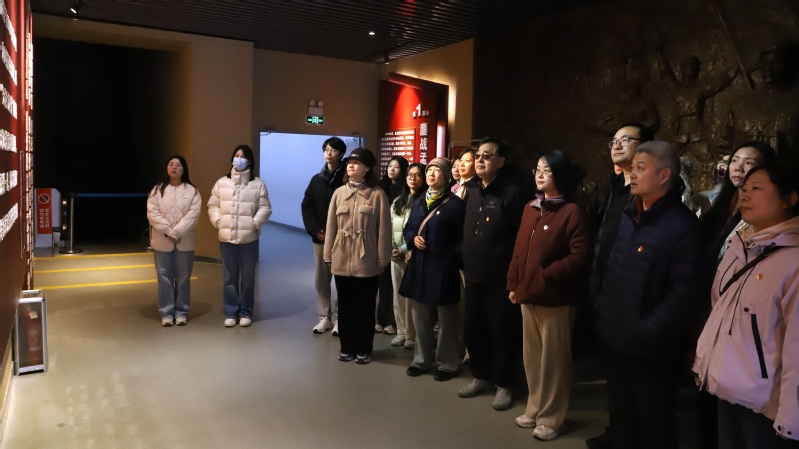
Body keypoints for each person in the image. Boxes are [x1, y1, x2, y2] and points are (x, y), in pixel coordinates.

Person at [594, 140, 703, 449]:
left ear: (664, 175)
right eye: (632, 169)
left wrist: (646, 330)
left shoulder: (682, 226)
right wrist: (604, 312)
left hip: (651, 348)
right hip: (617, 335)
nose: (633, 175)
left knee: (655, 421)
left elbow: (684, 294)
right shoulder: (631, 214)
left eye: (640, 168)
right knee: (621, 412)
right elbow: (614, 269)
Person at [693, 163, 799, 448]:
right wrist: (704, 364)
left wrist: (791, 418)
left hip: (764, 404)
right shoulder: (739, 246)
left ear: (789, 198)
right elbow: (720, 311)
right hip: (727, 387)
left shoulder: (793, 262)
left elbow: (796, 349)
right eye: (744, 188)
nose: (745, 195)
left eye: (757, 188)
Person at [507, 150, 591, 441]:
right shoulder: (531, 207)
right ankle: (534, 408)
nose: (540, 175)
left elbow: (580, 255)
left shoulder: (572, 211)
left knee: (554, 362)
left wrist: (547, 275)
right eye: (538, 170)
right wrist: (514, 284)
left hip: (556, 297)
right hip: (527, 294)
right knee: (532, 357)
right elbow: (520, 250)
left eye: (547, 170)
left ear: (561, 176)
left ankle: (552, 417)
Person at [586, 122, 653, 449]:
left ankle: (635, 437)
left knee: (638, 380)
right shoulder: (614, 187)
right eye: (614, 140)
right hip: (607, 290)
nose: (617, 144)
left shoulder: (649, 192)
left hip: (634, 297)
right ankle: (619, 432)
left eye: (626, 139)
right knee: (615, 375)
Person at [459, 137, 530, 411]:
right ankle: (481, 375)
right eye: (478, 155)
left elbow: (521, 236)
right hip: (473, 273)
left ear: (501, 161)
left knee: (501, 331)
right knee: (474, 328)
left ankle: (504, 383)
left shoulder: (512, 192)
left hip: (500, 276)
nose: (480, 159)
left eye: (487, 155)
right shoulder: (472, 189)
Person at [323, 148, 391, 365]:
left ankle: (364, 348)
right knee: (345, 306)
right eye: (349, 162)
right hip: (342, 256)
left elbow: (384, 229)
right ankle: (347, 347)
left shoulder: (377, 194)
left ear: (367, 168)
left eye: (356, 162)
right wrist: (328, 254)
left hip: (367, 258)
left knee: (365, 307)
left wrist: (383, 256)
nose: (351, 165)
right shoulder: (339, 193)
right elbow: (331, 226)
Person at [399, 157, 465, 381]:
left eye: (437, 171)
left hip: (444, 268)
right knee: (420, 317)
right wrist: (413, 238)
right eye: (429, 170)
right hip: (420, 267)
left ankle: (447, 364)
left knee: (447, 320)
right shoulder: (419, 201)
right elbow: (409, 228)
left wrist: (451, 259)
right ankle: (421, 360)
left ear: (446, 177)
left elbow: (461, 238)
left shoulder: (455, 204)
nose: (431, 174)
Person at [208, 144, 272, 327]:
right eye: (237, 155)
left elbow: (265, 208)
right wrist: (218, 221)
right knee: (229, 276)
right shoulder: (222, 183)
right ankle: (231, 312)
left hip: (249, 239)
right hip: (226, 238)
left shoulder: (257, 184)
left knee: (248, 277)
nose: (239, 159)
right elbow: (213, 205)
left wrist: (254, 223)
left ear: (249, 161)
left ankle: (246, 312)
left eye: (243, 156)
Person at [146, 155, 202, 326]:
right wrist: (169, 232)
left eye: (178, 165)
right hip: (162, 241)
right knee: (164, 277)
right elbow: (152, 214)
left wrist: (176, 233)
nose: (174, 167)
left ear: (184, 169)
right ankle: (167, 313)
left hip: (185, 241)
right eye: (171, 164)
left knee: (183, 278)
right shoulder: (157, 190)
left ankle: (182, 312)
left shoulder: (192, 191)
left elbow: (193, 215)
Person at [302, 137, 347, 335]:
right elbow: (307, 206)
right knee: (321, 278)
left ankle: (340, 318)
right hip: (320, 237)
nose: (329, 153)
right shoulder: (317, 179)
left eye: (333, 150)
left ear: (341, 154)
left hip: (342, 237)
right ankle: (324, 317)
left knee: (342, 279)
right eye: (326, 149)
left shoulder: (346, 179)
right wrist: (314, 230)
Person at [389, 162, 426, 349]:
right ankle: (401, 331)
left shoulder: (424, 201)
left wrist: (405, 248)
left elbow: (420, 229)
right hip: (395, 255)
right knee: (397, 295)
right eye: (410, 175)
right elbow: (389, 225)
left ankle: (412, 334)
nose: (413, 178)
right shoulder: (398, 201)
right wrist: (391, 247)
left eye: (418, 175)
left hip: (413, 254)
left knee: (412, 298)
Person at [376, 156, 408, 335]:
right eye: (389, 166)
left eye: (396, 167)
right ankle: (381, 318)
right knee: (383, 283)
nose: (392, 169)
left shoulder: (405, 191)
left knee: (396, 285)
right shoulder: (380, 188)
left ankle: (392, 321)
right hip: (382, 240)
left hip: (398, 243)